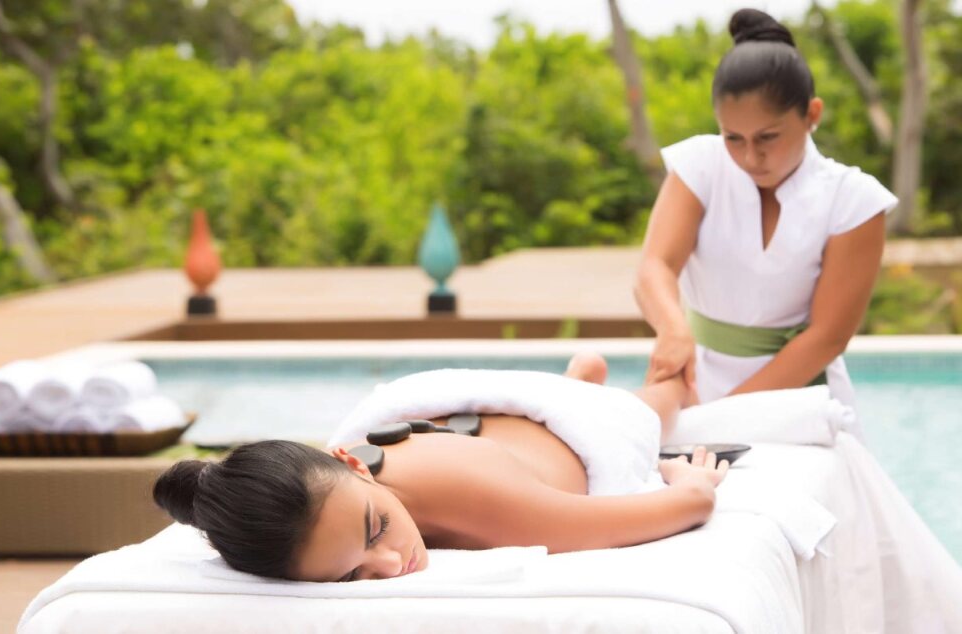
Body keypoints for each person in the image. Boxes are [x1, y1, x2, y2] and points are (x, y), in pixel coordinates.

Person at [153, 352, 728, 583]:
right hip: (473, 436)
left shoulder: (481, 502)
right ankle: (574, 379)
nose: (390, 564)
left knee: (656, 404)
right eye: (351, 577)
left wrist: (690, 479)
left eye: (376, 528)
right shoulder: (331, 500)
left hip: (555, 434)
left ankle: (604, 385)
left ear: (353, 463)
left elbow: (687, 505)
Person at [635, 9, 898, 409]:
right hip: (694, 381)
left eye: (768, 137)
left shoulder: (853, 200)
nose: (750, 157)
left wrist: (722, 417)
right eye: (733, 137)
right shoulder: (700, 166)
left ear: (812, 114)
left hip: (799, 394)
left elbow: (827, 337)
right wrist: (673, 329)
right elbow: (655, 265)